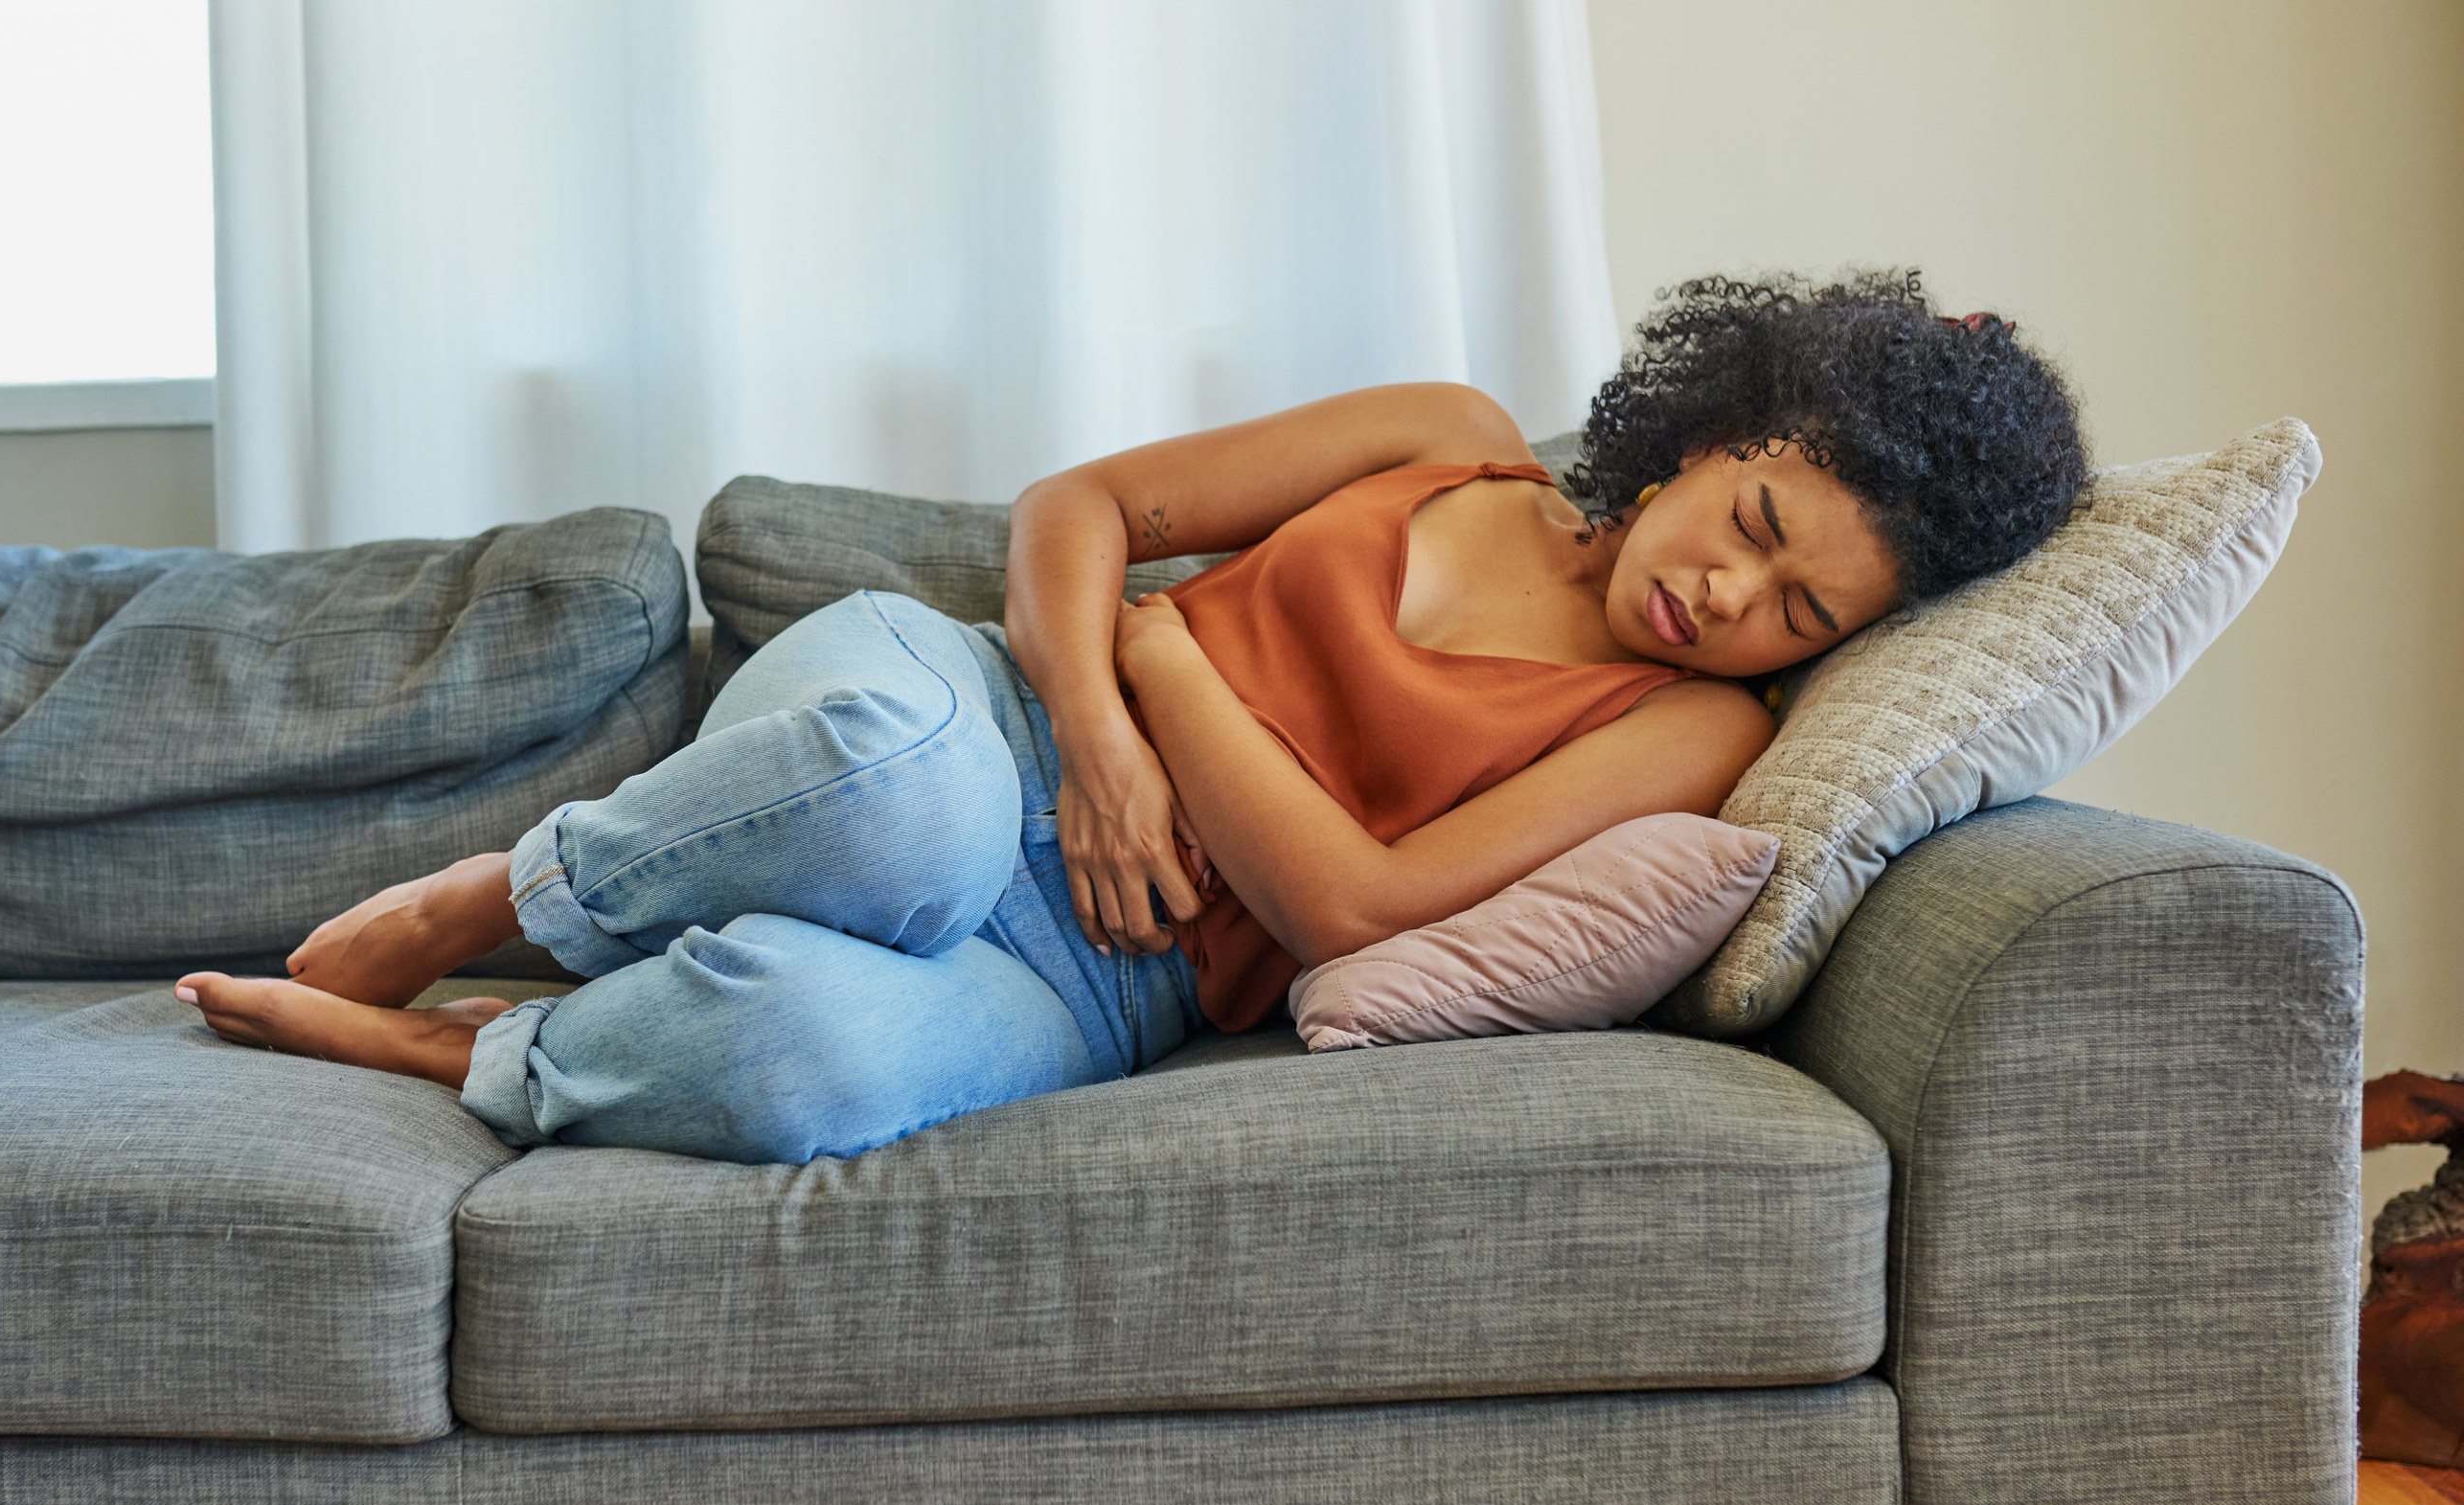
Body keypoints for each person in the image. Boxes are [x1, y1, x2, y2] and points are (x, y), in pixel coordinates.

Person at [175, 270, 2086, 1163]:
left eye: (1801, 614)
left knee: (816, 1071)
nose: (1734, 599)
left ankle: (486, 1054)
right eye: (1754, 527)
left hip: (1114, 975)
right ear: (1718, 432)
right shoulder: (1449, 440)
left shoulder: (1691, 739)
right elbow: (1076, 516)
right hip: (981, 716)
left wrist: (1170, 661)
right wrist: (1100, 731)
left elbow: (1349, 905)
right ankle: (514, 894)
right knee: (899, 796)